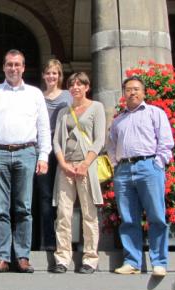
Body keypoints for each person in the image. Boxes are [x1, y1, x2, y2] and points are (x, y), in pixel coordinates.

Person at [0, 49, 51, 273]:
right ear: (4, 67)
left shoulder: (35, 93)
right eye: (9, 64)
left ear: (23, 67)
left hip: (26, 153)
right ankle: (1, 257)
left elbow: (43, 128)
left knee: (24, 208)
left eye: (17, 64)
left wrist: (44, 155)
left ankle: (22, 256)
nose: (13, 68)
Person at [108, 75, 174, 277]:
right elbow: (111, 146)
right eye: (128, 89)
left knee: (156, 216)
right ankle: (132, 261)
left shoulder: (155, 113)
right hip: (124, 170)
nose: (132, 92)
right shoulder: (118, 120)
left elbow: (165, 141)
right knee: (128, 219)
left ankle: (159, 262)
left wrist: (158, 163)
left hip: (149, 166)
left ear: (144, 92)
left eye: (136, 89)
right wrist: (116, 165)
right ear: (124, 94)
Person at [50, 72, 105, 274]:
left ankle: (90, 258)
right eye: (72, 84)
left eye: (80, 84)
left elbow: (99, 139)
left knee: (89, 213)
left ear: (87, 87)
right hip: (66, 167)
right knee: (63, 214)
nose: (75, 87)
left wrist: (85, 164)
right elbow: (56, 140)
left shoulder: (96, 108)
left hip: (86, 167)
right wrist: (63, 163)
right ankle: (62, 257)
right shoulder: (64, 111)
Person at [36, 59, 72, 251]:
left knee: (64, 194)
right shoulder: (36, 96)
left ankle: (65, 241)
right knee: (45, 195)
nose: (51, 76)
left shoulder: (68, 96)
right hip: (42, 148)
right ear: (43, 75)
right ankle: (48, 240)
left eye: (55, 73)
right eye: (48, 73)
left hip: (64, 149)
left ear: (60, 76)